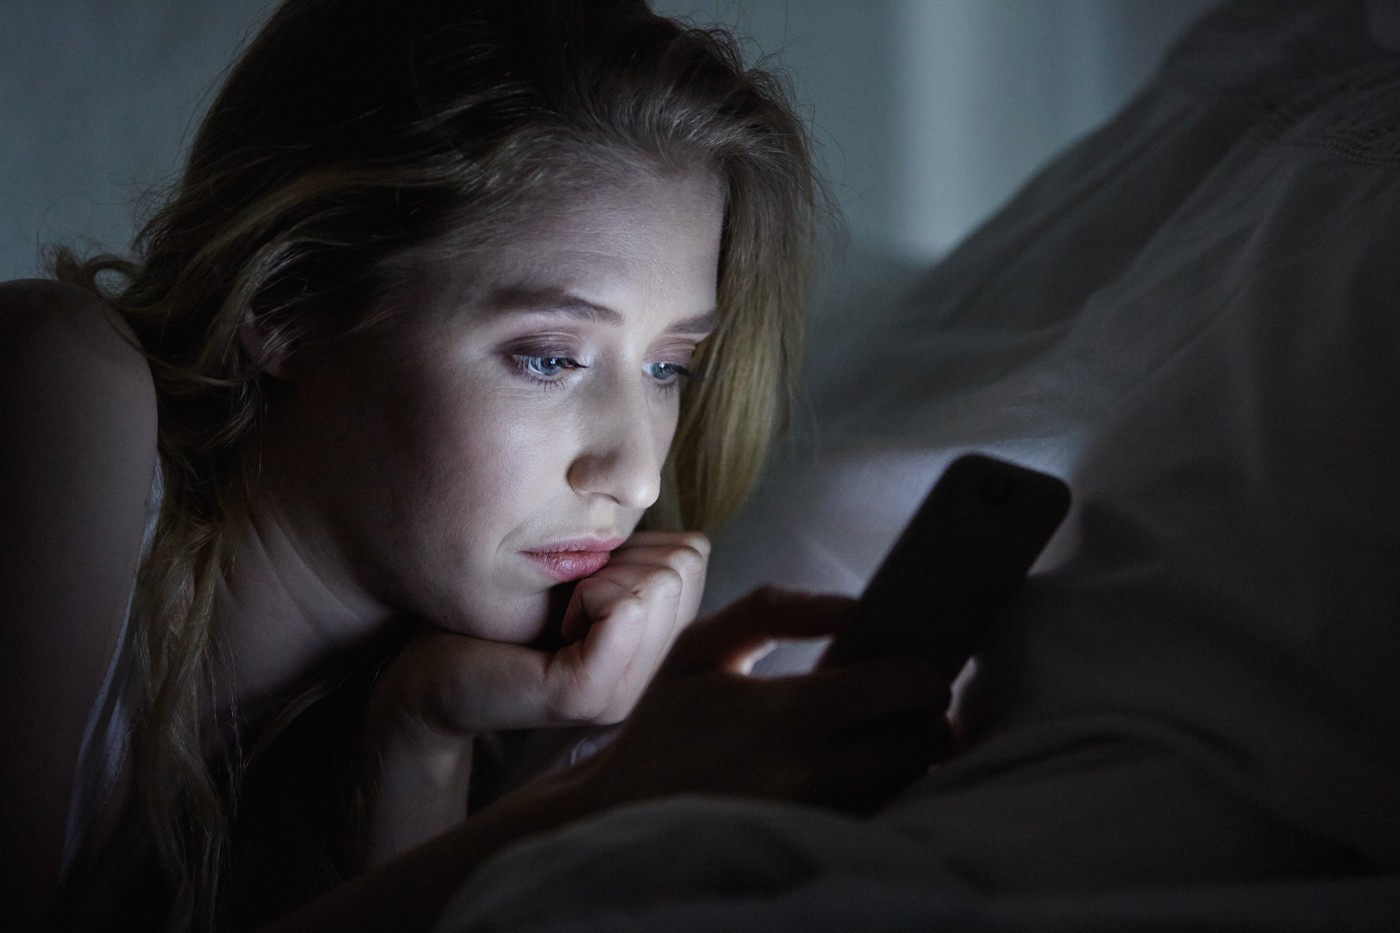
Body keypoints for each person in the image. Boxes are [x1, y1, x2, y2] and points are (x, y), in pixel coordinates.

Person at [0, 1, 949, 930]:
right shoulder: (60, 379)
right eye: (550, 357)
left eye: (670, 368)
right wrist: (606, 794)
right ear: (285, 302)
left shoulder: (420, 717)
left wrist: (421, 737)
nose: (637, 477)